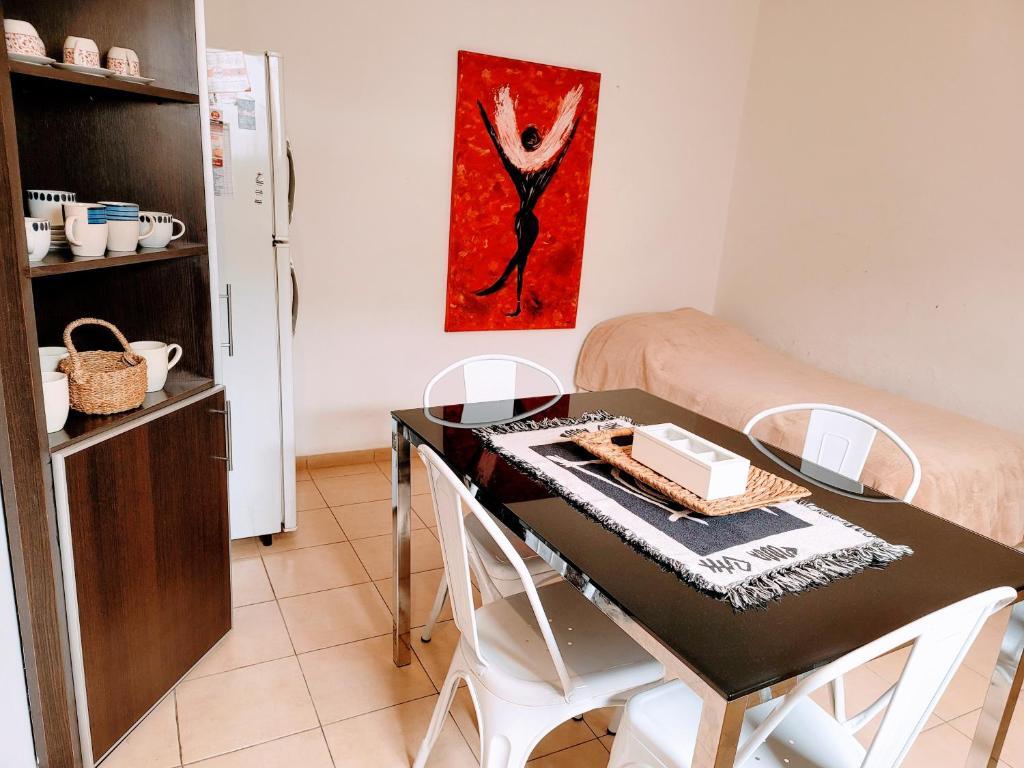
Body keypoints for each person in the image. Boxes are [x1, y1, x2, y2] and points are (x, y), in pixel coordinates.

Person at [474, 84, 583, 317]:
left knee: (521, 257)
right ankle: (510, 294)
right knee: (521, 257)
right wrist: (485, 118)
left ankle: (508, 292)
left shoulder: (527, 171)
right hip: (526, 220)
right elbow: (500, 147)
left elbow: (501, 148)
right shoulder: (535, 172)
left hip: (525, 220)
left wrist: (486, 118)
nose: (533, 142)